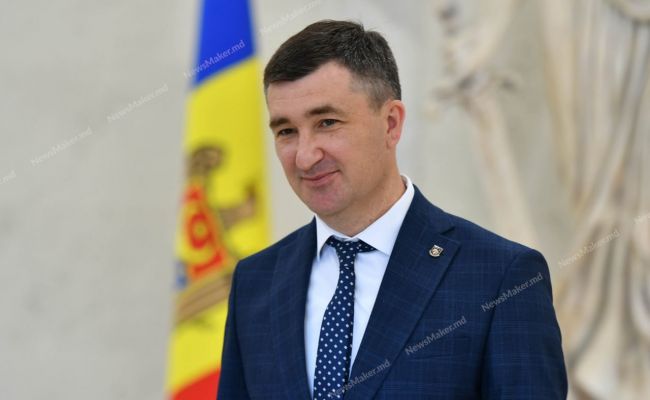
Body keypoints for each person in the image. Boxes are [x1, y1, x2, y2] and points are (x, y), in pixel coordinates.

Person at [217, 20, 567, 399]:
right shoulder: (255, 282)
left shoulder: (501, 278)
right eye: (286, 131)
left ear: (391, 123)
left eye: (327, 123)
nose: (305, 156)